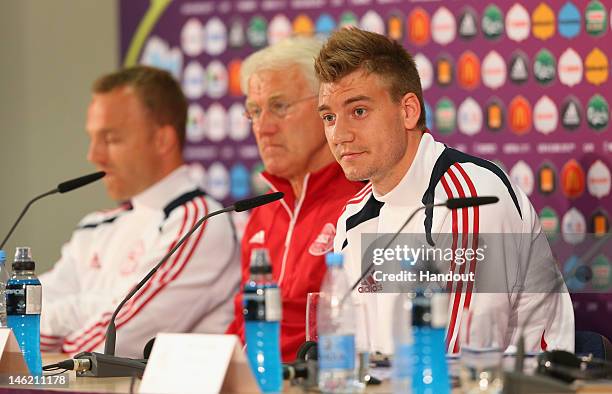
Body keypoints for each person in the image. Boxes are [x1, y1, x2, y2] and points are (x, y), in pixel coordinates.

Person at [315, 28, 575, 355]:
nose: (339, 135)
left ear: (408, 111)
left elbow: (460, 356)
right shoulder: (353, 216)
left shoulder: (469, 197)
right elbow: (359, 352)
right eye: (328, 116)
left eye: (359, 111)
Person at [39, 66, 240, 358]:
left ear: (162, 140)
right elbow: (24, 309)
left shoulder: (199, 222)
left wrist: (55, 326)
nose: (93, 155)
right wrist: (75, 313)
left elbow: (112, 345)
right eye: (93, 138)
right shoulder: (98, 225)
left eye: (111, 139)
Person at [224, 37, 365, 362]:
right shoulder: (262, 211)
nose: (263, 127)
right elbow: (241, 325)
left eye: (279, 106)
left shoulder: (364, 201)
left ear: (326, 107)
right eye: (255, 111)